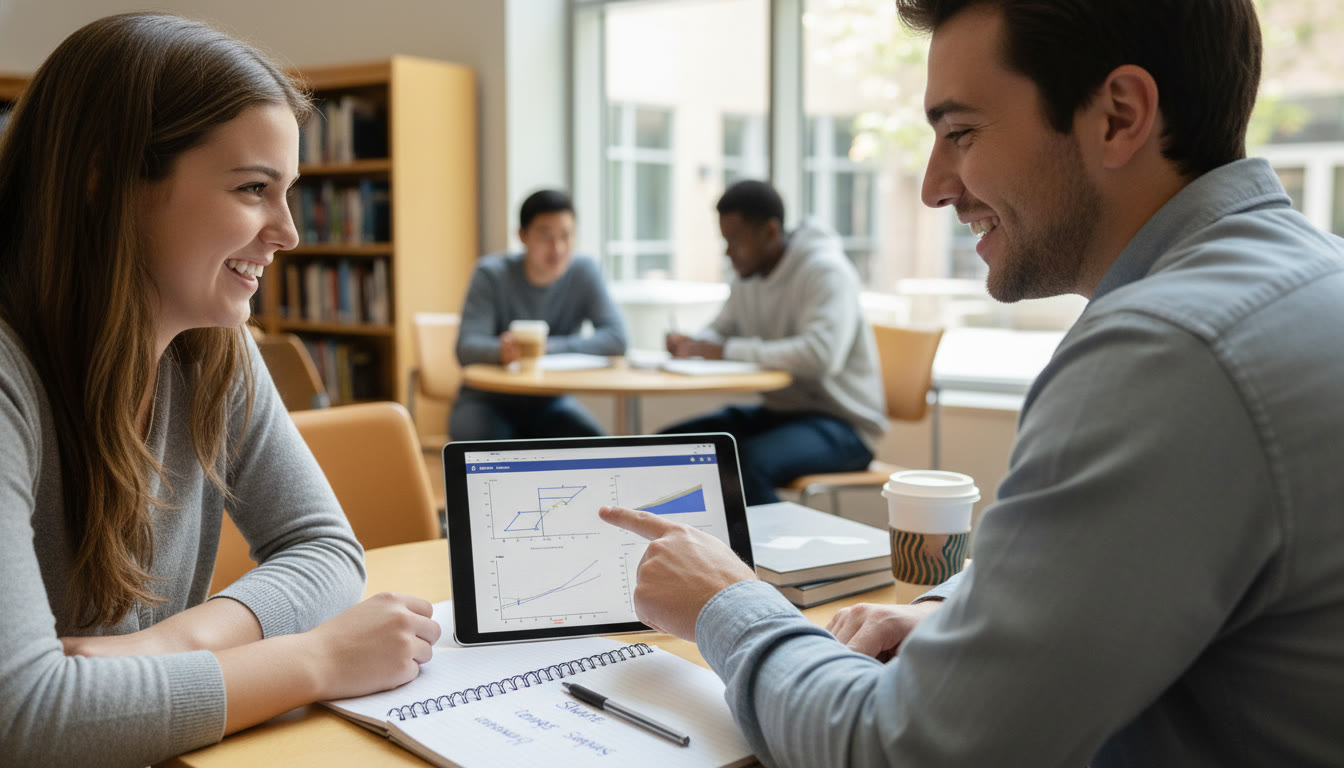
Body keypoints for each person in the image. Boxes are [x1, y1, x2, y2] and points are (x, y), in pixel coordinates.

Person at [600, 0, 1344, 765]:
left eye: (960, 133)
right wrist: (959, 608)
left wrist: (726, 603)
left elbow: (906, 750)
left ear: (1119, 116)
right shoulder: (1310, 280)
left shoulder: (1165, 353)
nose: (931, 185)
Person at [0, 14, 441, 767]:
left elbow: (326, 548)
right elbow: (26, 718)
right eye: (252, 189)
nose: (289, 233)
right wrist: (317, 661)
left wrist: (171, 642)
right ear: (102, 180)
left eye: (290, 192)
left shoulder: (213, 347)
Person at [660, 180, 887, 505]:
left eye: (735, 240)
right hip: (779, 411)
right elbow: (722, 330)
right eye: (724, 241)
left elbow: (821, 356)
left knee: (746, 465)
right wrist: (693, 344)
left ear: (769, 232)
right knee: (669, 446)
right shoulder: (746, 276)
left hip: (843, 424)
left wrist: (723, 350)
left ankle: (773, 555)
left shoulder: (825, 272)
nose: (728, 252)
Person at [451, 189, 628, 440]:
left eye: (566, 236)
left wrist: (547, 347)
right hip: (487, 401)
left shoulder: (584, 272)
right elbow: (466, 348)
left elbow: (617, 338)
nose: (558, 248)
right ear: (522, 236)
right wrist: (501, 351)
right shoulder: (491, 274)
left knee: (595, 445)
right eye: (545, 236)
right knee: (486, 452)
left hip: (550, 402)